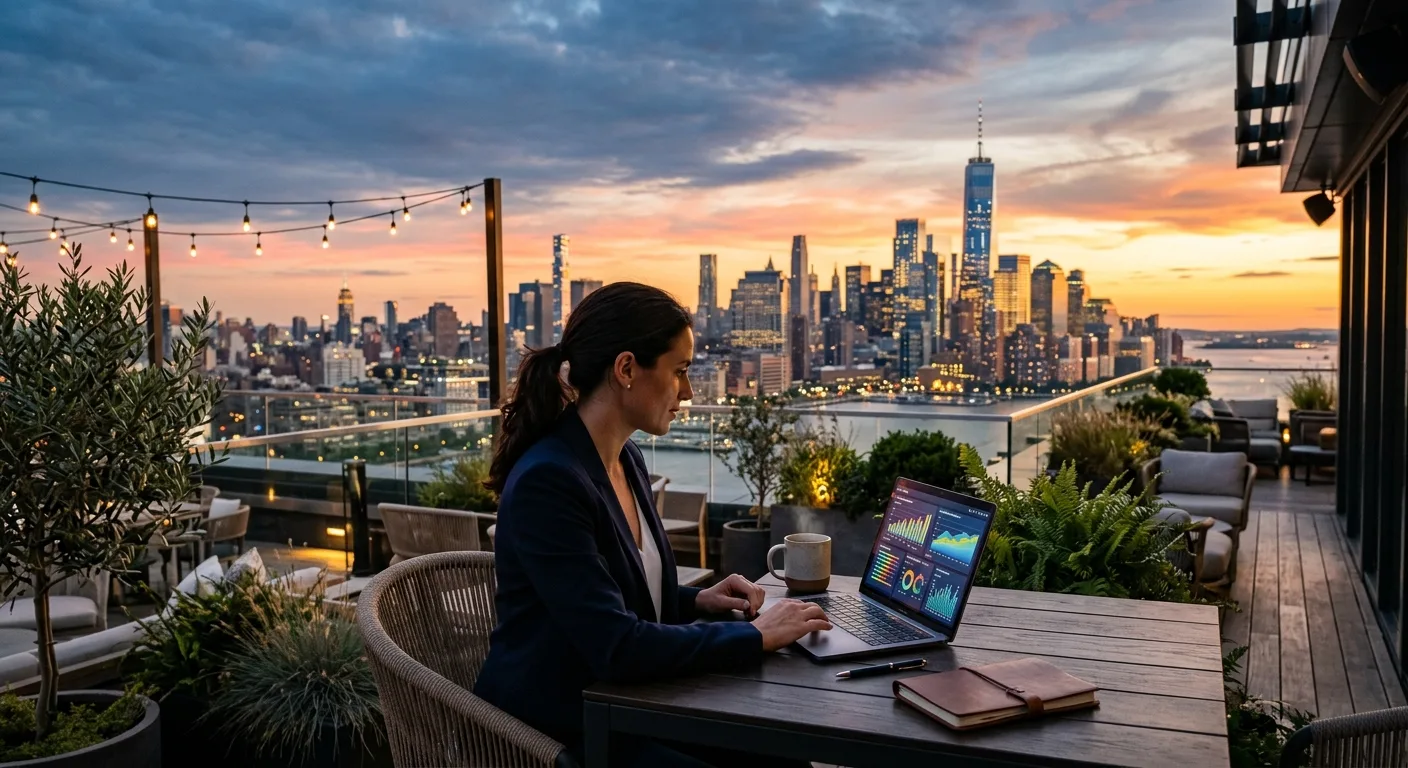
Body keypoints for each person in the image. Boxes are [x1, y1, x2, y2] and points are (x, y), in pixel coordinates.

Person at [474, 282, 830, 767]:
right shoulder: (549, 483)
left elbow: (615, 596)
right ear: (626, 369)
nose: (688, 390)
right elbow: (616, 645)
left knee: (783, 754)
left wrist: (696, 599)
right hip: (561, 730)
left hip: (626, 704)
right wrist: (755, 635)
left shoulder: (626, 459)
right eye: (680, 371)